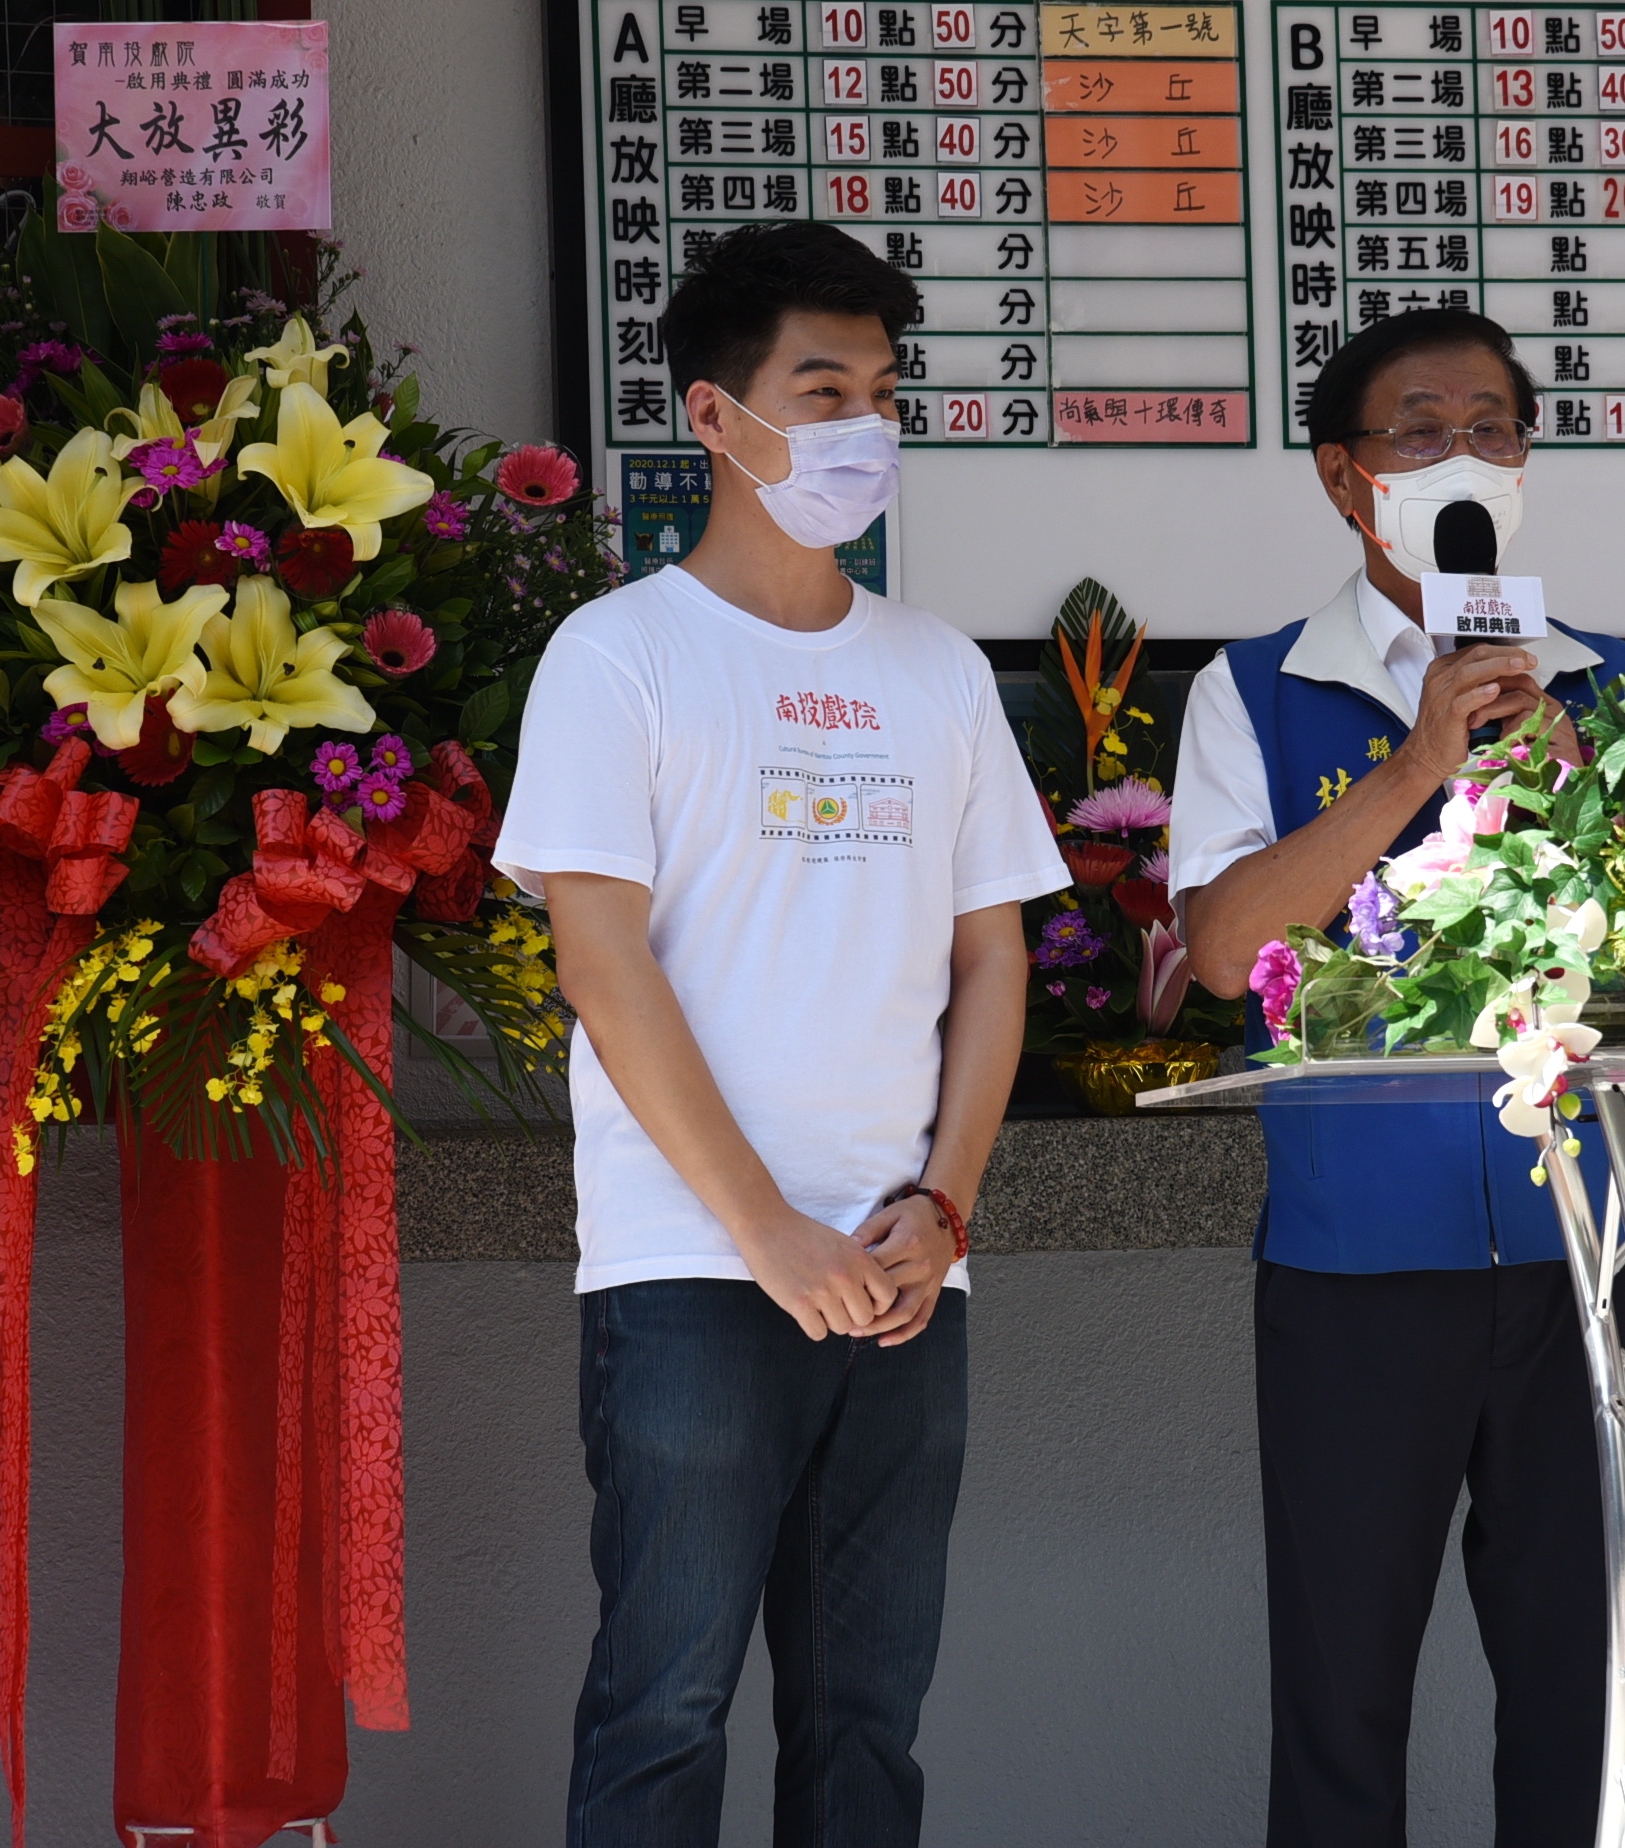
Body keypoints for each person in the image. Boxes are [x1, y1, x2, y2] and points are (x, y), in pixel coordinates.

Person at [492, 221, 1068, 1848]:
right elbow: (604, 966)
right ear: (714, 417)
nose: (860, 427)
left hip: (902, 1273)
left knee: (869, 1725)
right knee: (664, 1708)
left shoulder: (937, 670)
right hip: (694, 1267)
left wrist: (940, 1210)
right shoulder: (618, 658)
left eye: (883, 392)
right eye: (822, 389)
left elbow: (993, 967)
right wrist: (766, 1231)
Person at [1171, 309, 1625, 1848]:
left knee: (1586, 1686)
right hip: (1355, 1269)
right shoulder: (1253, 690)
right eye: (1422, 427)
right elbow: (1220, 944)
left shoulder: (1610, 682)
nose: (1466, 455)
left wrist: (1574, 773)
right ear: (1344, 478)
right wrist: (1414, 767)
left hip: (1587, 1257)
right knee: (1342, 1688)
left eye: (1496, 426)